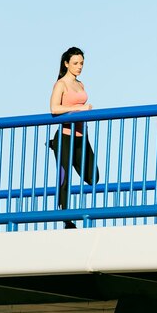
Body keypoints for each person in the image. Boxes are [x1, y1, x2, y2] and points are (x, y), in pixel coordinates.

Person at [48, 46, 99, 229]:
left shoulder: (81, 84)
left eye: (82, 63)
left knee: (93, 176)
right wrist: (80, 109)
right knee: (65, 179)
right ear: (66, 64)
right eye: (76, 63)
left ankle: (74, 163)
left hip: (81, 137)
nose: (79, 67)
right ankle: (66, 219)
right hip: (65, 137)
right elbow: (54, 109)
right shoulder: (61, 84)